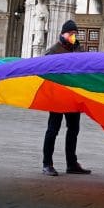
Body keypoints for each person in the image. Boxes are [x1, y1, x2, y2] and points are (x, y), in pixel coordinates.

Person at [41, 19, 92, 177]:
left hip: (72, 97)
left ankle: (71, 163)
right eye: (70, 33)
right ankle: (47, 164)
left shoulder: (79, 50)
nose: (73, 36)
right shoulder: (53, 51)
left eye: (75, 34)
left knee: (73, 129)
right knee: (52, 130)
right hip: (57, 97)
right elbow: (45, 71)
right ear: (63, 34)